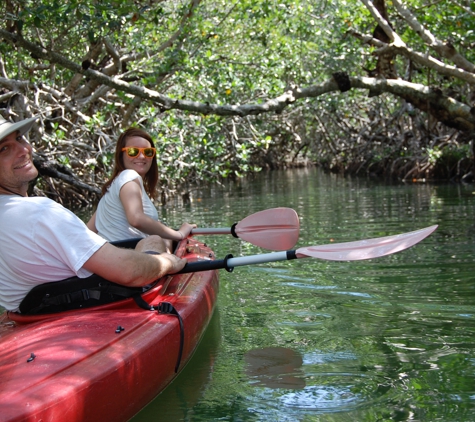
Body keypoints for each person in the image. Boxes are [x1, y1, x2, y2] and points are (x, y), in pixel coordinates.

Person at [0, 115, 187, 312]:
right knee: (154, 241)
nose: (24, 150)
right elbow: (129, 271)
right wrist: (167, 261)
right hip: (92, 302)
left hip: (32, 310)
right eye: (4, 148)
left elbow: (87, 231)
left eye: (20, 138)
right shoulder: (39, 213)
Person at [87, 128, 196, 251]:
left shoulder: (110, 193)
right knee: (157, 239)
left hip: (116, 257)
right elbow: (136, 218)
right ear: (121, 155)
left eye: (148, 152)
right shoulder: (129, 176)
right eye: (133, 151)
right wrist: (179, 234)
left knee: (162, 234)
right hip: (126, 259)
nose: (142, 156)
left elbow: (87, 232)